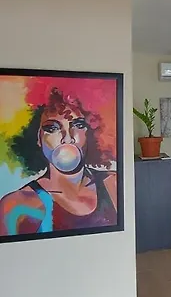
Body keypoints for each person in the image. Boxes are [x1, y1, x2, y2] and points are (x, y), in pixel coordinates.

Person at [0, 88, 117, 235]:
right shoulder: (16, 206)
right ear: (37, 137)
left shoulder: (113, 183)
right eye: (52, 128)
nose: (67, 138)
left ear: (93, 132)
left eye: (79, 125)